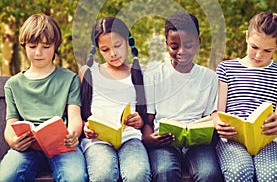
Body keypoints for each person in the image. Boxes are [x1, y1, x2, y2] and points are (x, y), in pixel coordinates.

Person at [0, 14, 87, 181]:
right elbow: (11, 122)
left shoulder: (69, 79)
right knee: (6, 177)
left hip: (63, 146)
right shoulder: (13, 84)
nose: (38, 53)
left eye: (46, 46)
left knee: (75, 177)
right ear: (24, 46)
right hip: (28, 149)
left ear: (55, 47)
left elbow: (75, 117)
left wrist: (73, 134)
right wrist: (13, 141)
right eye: (32, 46)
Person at [213, 11, 277, 182]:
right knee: (239, 172)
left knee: (271, 174)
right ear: (247, 36)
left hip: (268, 140)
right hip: (232, 139)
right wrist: (218, 122)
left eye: (267, 50)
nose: (259, 55)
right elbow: (218, 112)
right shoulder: (226, 69)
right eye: (254, 47)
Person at [143, 12, 223, 182]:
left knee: (208, 173)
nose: (181, 51)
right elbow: (149, 120)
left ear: (198, 43)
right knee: (164, 172)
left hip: (198, 144)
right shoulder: (154, 76)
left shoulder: (209, 77)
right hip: (164, 143)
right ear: (166, 45)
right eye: (174, 46)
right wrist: (149, 139)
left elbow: (211, 116)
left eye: (188, 45)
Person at [80, 17, 151, 182]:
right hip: (97, 140)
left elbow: (145, 116)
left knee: (138, 174)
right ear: (97, 49)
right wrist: (85, 127)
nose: (113, 54)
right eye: (105, 49)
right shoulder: (89, 73)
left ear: (128, 42)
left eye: (118, 46)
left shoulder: (139, 73)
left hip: (129, 137)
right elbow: (81, 113)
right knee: (102, 175)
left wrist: (139, 121)